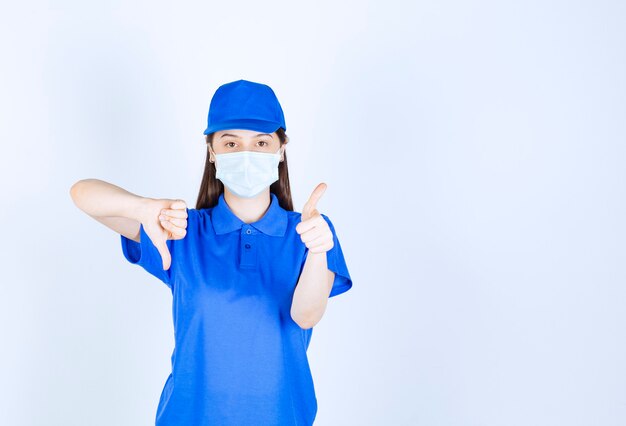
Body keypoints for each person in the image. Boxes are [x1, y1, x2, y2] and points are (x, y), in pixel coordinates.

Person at [69, 79, 353, 425]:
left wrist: (318, 250)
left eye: (261, 142)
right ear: (212, 151)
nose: (246, 154)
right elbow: (83, 194)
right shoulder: (181, 230)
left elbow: (306, 316)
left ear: (280, 150)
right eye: (231, 142)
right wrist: (142, 208)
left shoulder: (310, 232)